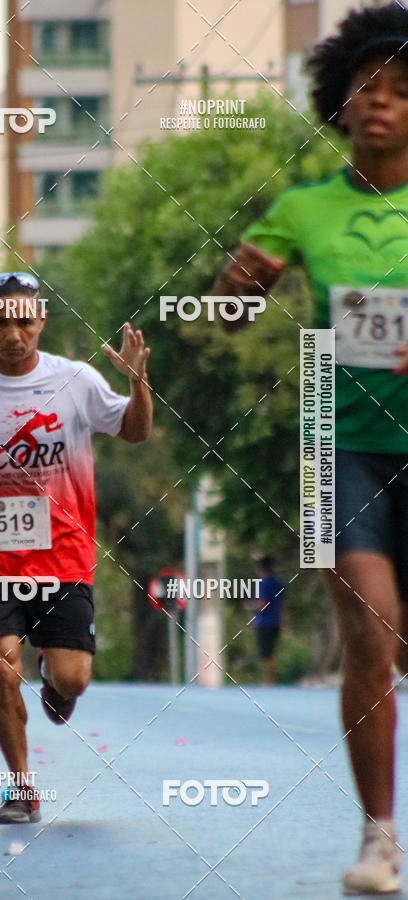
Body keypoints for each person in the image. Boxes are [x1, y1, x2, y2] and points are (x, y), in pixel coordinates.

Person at [212, 4, 408, 893]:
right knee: (368, 634)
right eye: (368, 86)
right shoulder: (304, 208)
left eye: (403, 93)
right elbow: (228, 306)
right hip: (343, 443)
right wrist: (234, 287)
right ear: (339, 103)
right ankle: (379, 839)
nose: (383, 104)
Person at [0, 271, 152, 824]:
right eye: (1, 322)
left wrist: (139, 383)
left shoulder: (78, 381)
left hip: (63, 557)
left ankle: (55, 682)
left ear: (40, 321)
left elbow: (134, 431)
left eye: (24, 321)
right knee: (1, 671)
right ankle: (21, 788)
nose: (13, 333)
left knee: (72, 679)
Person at [254, 556, 285, 685]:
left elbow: (262, 603)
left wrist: (252, 606)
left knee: (266, 653)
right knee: (270, 651)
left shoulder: (264, 583)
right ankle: (270, 679)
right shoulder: (279, 584)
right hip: (276, 621)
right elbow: (284, 605)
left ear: (261, 569)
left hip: (264, 622)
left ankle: (269, 680)